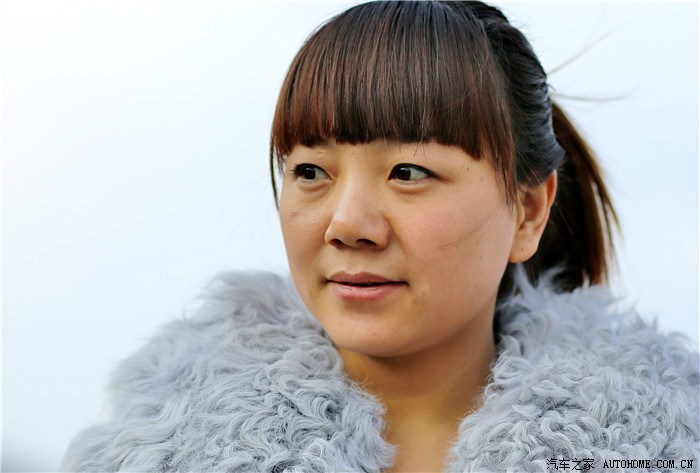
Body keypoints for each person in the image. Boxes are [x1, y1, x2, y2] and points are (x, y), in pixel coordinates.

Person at [62, 1, 699, 472]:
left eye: (409, 172)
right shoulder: (154, 453)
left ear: (529, 212)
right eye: (310, 172)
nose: (347, 224)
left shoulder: (664, 450)